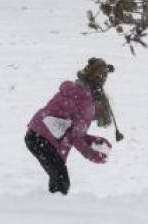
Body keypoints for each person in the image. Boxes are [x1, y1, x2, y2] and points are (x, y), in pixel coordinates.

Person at [25, 57, 115, 195]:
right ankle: (53, 211)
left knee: (59, 179)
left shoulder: (75, 90)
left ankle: (51, 206)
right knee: (61, 182)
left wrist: (90, 140)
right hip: (43, 140)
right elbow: (75, 136)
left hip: (35, 134)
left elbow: (73, 131)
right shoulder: (87, 104)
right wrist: (90, 153)